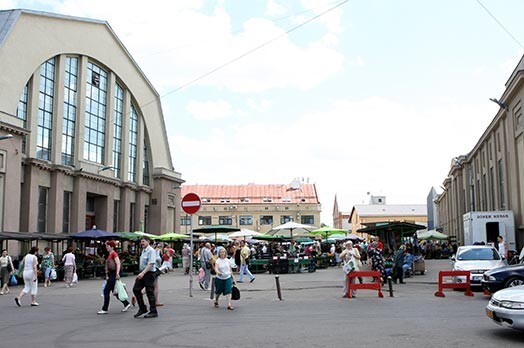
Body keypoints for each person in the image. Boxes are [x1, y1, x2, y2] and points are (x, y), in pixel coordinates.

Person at [98, 241, 131, 314]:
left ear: (112, 247)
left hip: (113, 274)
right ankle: (126, 303)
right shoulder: (110, 254)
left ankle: (105, 309)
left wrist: (117, 273)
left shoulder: (114, 254)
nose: (106, 247)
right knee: (115, 292)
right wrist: (107, 274)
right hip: (111, 274)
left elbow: (118, 263)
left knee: (106, 291)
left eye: (108, 246)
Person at [132, 236, 158, 318]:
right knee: (136, 289)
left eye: (143, 241)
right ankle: (142, 308)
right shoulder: (144, 250)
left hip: (149, 273)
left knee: (149, 291)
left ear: (148, 241)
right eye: (141, 242)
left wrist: (143, 273)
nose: (142, 243)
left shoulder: (151, 251)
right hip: (143, 272)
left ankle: (153, 311)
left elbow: (151, 263)